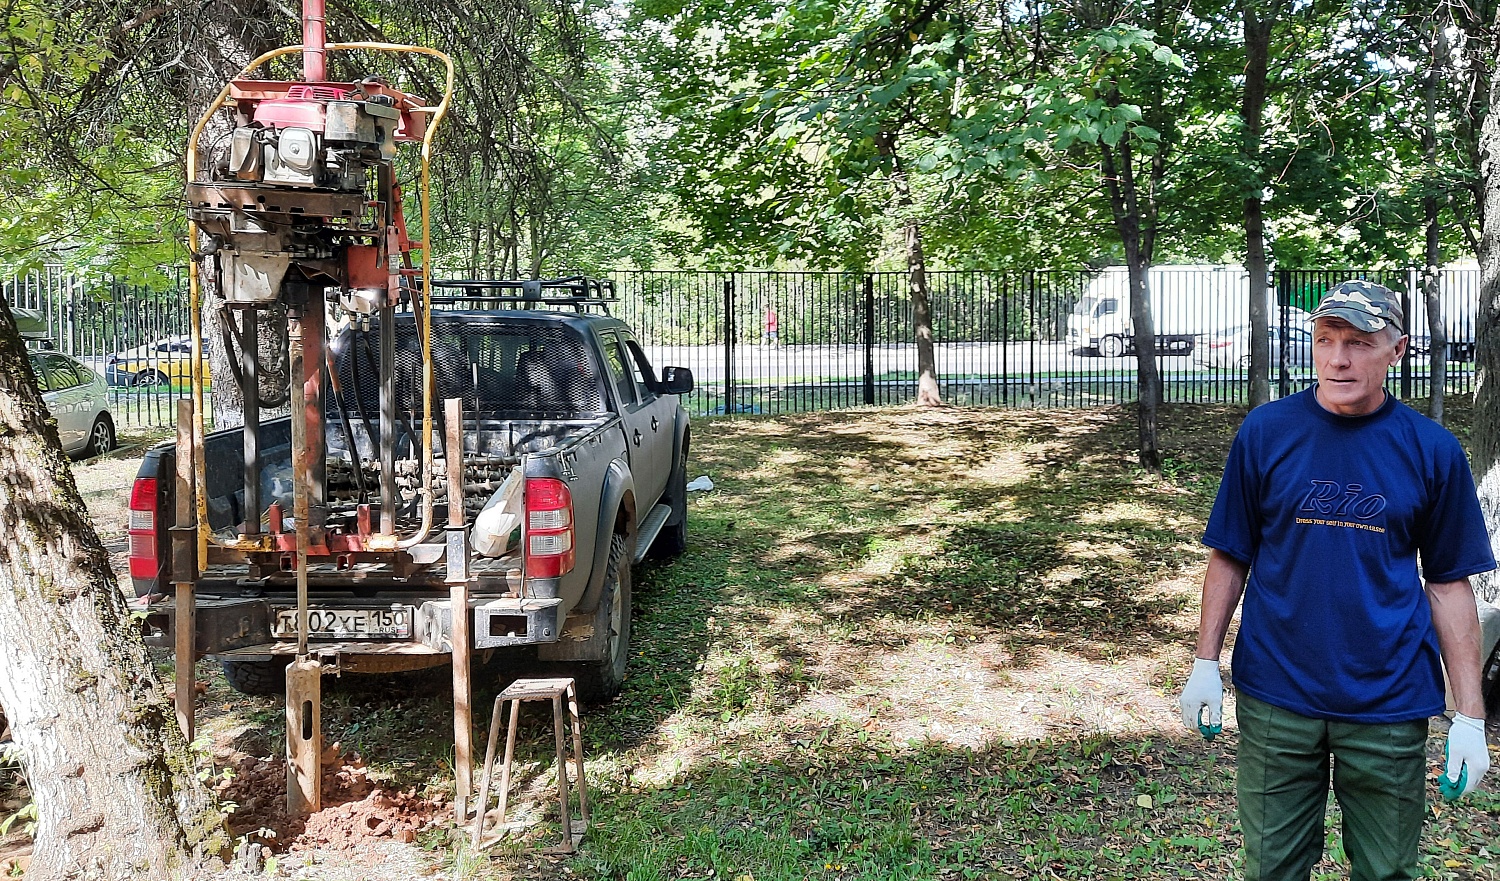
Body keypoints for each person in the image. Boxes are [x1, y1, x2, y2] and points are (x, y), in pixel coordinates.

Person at [1178, 279, 1494, 881]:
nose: (1338, 358)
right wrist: (1203, 663)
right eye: (1325, 340)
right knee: (1272, 867)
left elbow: (1450, 583)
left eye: (1358, 342)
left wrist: (1471, 718)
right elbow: (1230, 553)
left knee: (1387, 871)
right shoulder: (1267, 432)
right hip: (1277, 695)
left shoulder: (1431, 450)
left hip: (1389, 703)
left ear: (1396, 351)